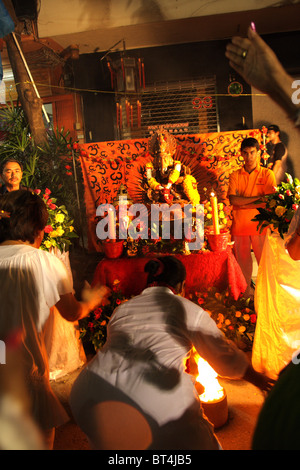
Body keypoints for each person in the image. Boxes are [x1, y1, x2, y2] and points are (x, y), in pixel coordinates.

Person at [70, 255, 273, 450]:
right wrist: (260, 380)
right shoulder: (186, 309)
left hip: (89, 393)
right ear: (181, 286)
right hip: (151, 399)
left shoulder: (122, 310)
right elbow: (225, 358)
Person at [226, 22, 300, 449]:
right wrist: (278, 84)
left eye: (263, 146)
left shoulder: (269, 178)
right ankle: (242, 312)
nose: (258, 150)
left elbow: (273, 214)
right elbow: (237, 202)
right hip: (242, 230)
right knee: (244, 276)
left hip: (261, 233)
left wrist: (277, 83)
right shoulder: (238, 174)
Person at [0, 189, 110, 449]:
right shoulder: (44, 262)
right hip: (24, 376)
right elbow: (71, 312)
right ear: (37, 228)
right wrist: (92, 299)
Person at [228, 137, 276, 299]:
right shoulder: (235, 175)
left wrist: (243, 202)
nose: (249, 157)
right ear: (241, 154)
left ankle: (266, 296)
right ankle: (245, 295)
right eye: (246, 153)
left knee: (265, 263)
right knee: (242, 264)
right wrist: (258, 200)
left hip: (261, 226)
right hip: (240, 226)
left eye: (252, 153)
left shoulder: (267, 174)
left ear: (259, 153)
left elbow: (270, 201)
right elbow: (233, 200)